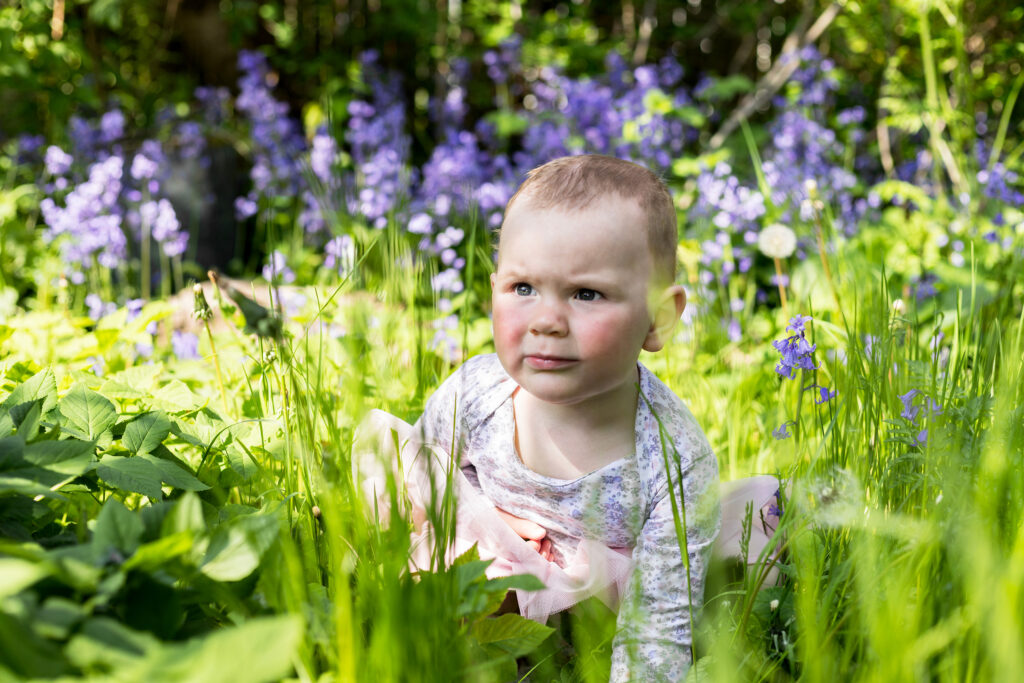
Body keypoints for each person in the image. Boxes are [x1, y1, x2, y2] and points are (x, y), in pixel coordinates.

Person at [356, 155, 778, 681]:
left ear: (659, 318)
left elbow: (659, 623)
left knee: (742, 548)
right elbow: (426, 485)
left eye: (586, 294)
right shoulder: (475, 392)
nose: (547, 321)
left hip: (605, 589)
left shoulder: (673, 459)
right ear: (493, 290)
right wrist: (488, 516)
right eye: (523, 289)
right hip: (499, 561)